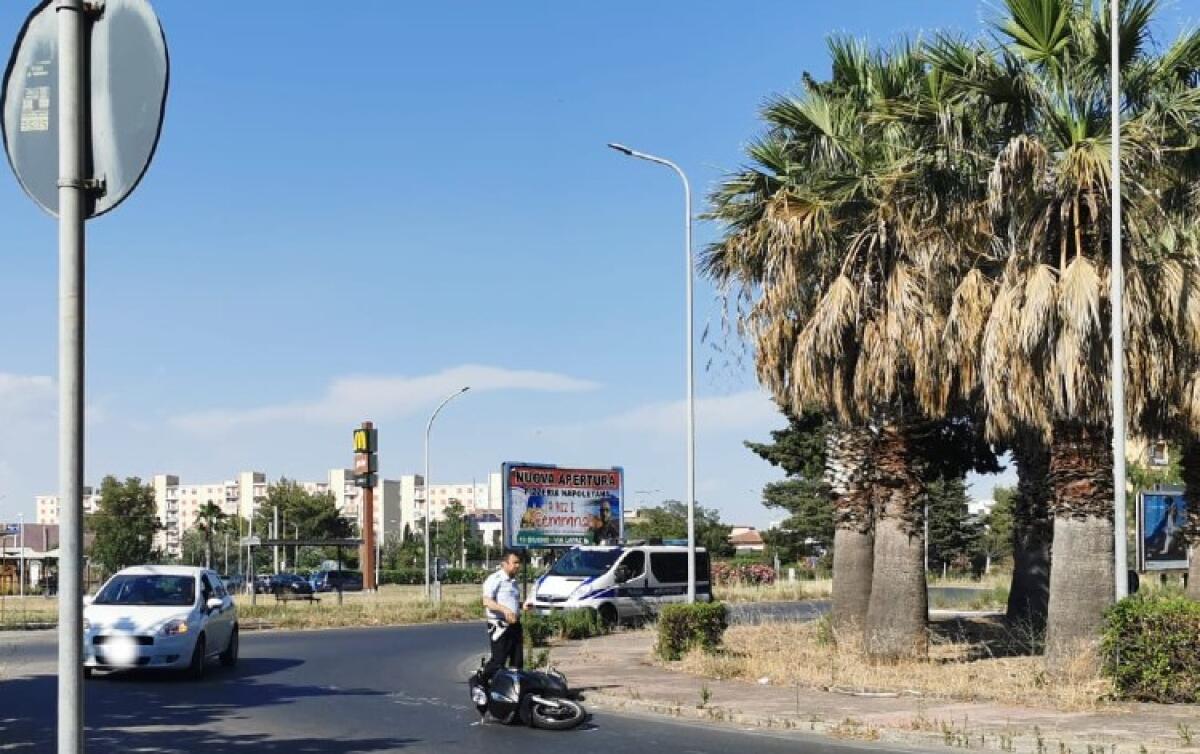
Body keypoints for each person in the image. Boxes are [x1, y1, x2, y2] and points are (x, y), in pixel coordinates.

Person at [480, 550, 527, 684]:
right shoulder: (495, 579)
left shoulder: (512, 581)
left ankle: (513, 690)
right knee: (499, 660)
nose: (518, 566)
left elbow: (509, 601)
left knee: (517, 662)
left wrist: (522, 605)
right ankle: (481, 682)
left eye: (519, 563)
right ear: (504, 564)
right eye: (515, 563)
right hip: (499, 626)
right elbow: (487, 601)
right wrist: (505, 610)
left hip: (514, 625)